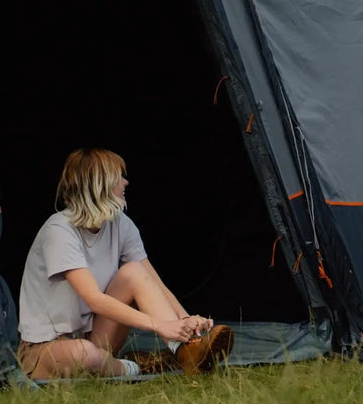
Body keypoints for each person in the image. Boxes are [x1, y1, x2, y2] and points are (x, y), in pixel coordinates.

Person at [17, 148, 234, 379]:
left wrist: (185, 320)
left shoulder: (120, 224)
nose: (126, 182)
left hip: (95, 336)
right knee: (86, 354)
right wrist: (158, 324)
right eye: (119, 176)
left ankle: (186, 350)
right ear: (100, 184)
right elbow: (94, 299)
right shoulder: (59, 231)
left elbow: (153, 282)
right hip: (47, 348)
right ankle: (137, 367)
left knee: (134, 272)